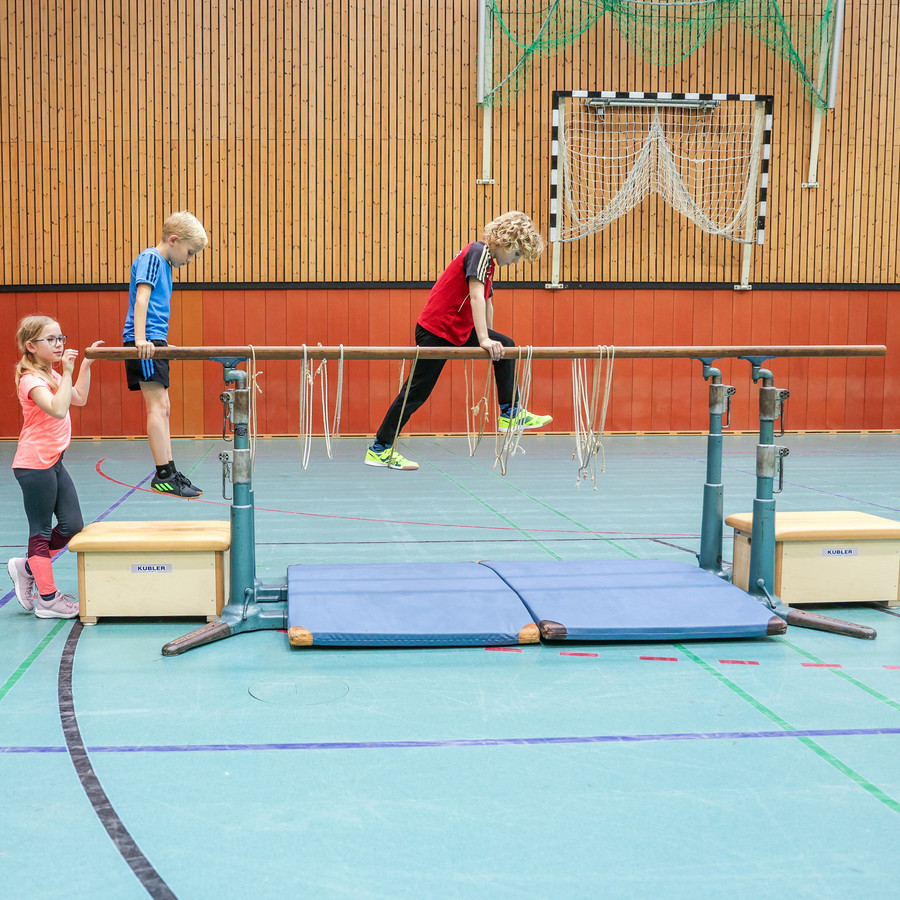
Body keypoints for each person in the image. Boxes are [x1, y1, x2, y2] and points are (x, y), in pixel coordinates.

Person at [365, 211, 552, 470]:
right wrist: (484, 338)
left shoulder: (489, 264)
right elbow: (475, 296)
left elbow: (487, 302)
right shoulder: (479, 252)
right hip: (437, 331)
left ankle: (510, 412)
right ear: (508, 243)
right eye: (517, 254)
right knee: (416, 393)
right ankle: (380, 448)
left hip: (459, 331)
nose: (516, 261)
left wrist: (489, 341)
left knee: (506, 345)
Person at [7, 316, 103, 619]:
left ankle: (26, 566)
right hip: (34, 464)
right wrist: (70, 371)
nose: (59, 344)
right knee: (41, 531)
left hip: (55, 462)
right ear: (31, 346)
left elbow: (79, 399)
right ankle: (48, 599)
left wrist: (84, 367)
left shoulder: (52, 376)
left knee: (73, 526)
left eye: (61, 338)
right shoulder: (30, 380)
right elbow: (59, 409)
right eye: (51, 339)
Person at [123, 210, 208, 498]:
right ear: (173, 240)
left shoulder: (165, 266)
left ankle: (170, 470)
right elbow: (142, 298)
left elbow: (156, 308)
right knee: (157, 408)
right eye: (190, 252)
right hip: (144, 342)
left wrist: (160, 342)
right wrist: (142, 340)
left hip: (154, 341)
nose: (190, 259)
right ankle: (162, 474)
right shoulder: (151, 258)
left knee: (165, 408)